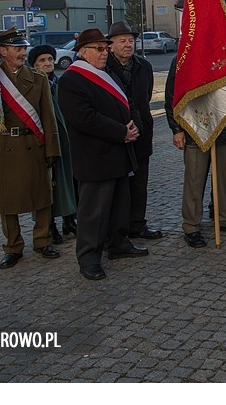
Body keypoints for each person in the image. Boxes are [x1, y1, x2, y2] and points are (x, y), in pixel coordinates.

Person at [0, 28, 61, 269]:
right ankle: (13, 246)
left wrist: (51, 150)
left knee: (41, 196)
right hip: (3, 145)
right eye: (17, 48)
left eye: (24, 48)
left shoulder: (37, 79)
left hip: (32, 144)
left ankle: (42, 240)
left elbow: (48, 118)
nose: (22, 52)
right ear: (2, 51)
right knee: (6, 201)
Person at [58, 28, 147, 281]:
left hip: (119, 152)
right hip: (95, 156)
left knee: (121, 204)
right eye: (99, 49)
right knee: (94, 212)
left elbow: (128, 103)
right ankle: (89, 258)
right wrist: (121, 131)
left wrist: (134, 126)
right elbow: (84, 118)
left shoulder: (108, 74)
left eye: (106, 48)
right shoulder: (72, 80)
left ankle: (119, 244)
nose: (105, 53)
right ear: (83, 52)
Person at [164, 57, 226, 249]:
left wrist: (225, 86)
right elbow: (172, 95)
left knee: (225, 179)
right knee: (195, 180)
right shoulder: (183, 56)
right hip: (195, 127)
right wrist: (176, 129)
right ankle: (191, 226)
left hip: (224, 127)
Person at [105, 21, 161, 240]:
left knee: (139, 183)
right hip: (116, 134)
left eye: (131, 41)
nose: (128, 45)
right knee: (119, 184)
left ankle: (137, 224)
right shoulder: (104, 67)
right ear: (110, 45)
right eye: (122, 41)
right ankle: (118, 229)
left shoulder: (143, 66)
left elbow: (145, 97)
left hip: (141, 133)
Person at [27, 44, 77, 244]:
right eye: (42, 60)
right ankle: (49, 225)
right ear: (34, 65)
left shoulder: (60, 82)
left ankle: (69, 219)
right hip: (45, 141)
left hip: (65, 139)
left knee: (68, 182)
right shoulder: (33, 85)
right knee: (48, 185)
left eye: (49, 59)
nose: (47, 63)